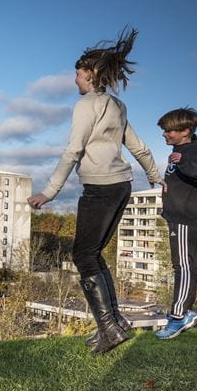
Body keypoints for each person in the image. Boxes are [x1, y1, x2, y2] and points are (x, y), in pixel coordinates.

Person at [27, 28, 162, 354]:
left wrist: (49, 191)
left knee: (83, 255)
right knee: (94, 254)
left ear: (91, 74)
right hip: (121, 187)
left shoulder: (86, 106)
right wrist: (156, 178)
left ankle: (109, 329)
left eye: (77, 74)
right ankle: (116, 323)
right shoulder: (117, 105)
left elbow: (73, 150)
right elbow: (139, 147)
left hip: (100, 188)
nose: (75, 80)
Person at [155, 107, 197, 339]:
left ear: (185, 131)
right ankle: (180, 313)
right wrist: (167, 204)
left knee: (183, 266)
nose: (165, 134)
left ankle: (180, 315)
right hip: (178, 214)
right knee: (184, 264)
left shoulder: (190, 152)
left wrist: (184, 162)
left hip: (185, 218)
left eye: (169, 131)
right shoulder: (187, 147)